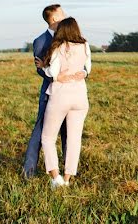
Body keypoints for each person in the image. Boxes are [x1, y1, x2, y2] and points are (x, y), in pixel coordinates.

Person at [40, 17, 91, 189]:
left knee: (47, 137)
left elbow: (53, 72)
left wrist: (43, 68)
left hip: (61, 95)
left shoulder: (58, 47)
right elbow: (87, 68)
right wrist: (82, 72)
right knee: (74, 139)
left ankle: (56, 178)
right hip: (80, 96)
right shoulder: (85, 45)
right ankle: (68, 179)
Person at [22, 4, 69, 178]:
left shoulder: (68, 37)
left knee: (67, 132)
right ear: (55, 19)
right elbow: (40, 69)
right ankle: (29, 171)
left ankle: (68, 171)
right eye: (62, 14)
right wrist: (57, 77)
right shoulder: (40, 41)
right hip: (50, 93)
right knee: (40, 131)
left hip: (69, 94)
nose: (66, 16)